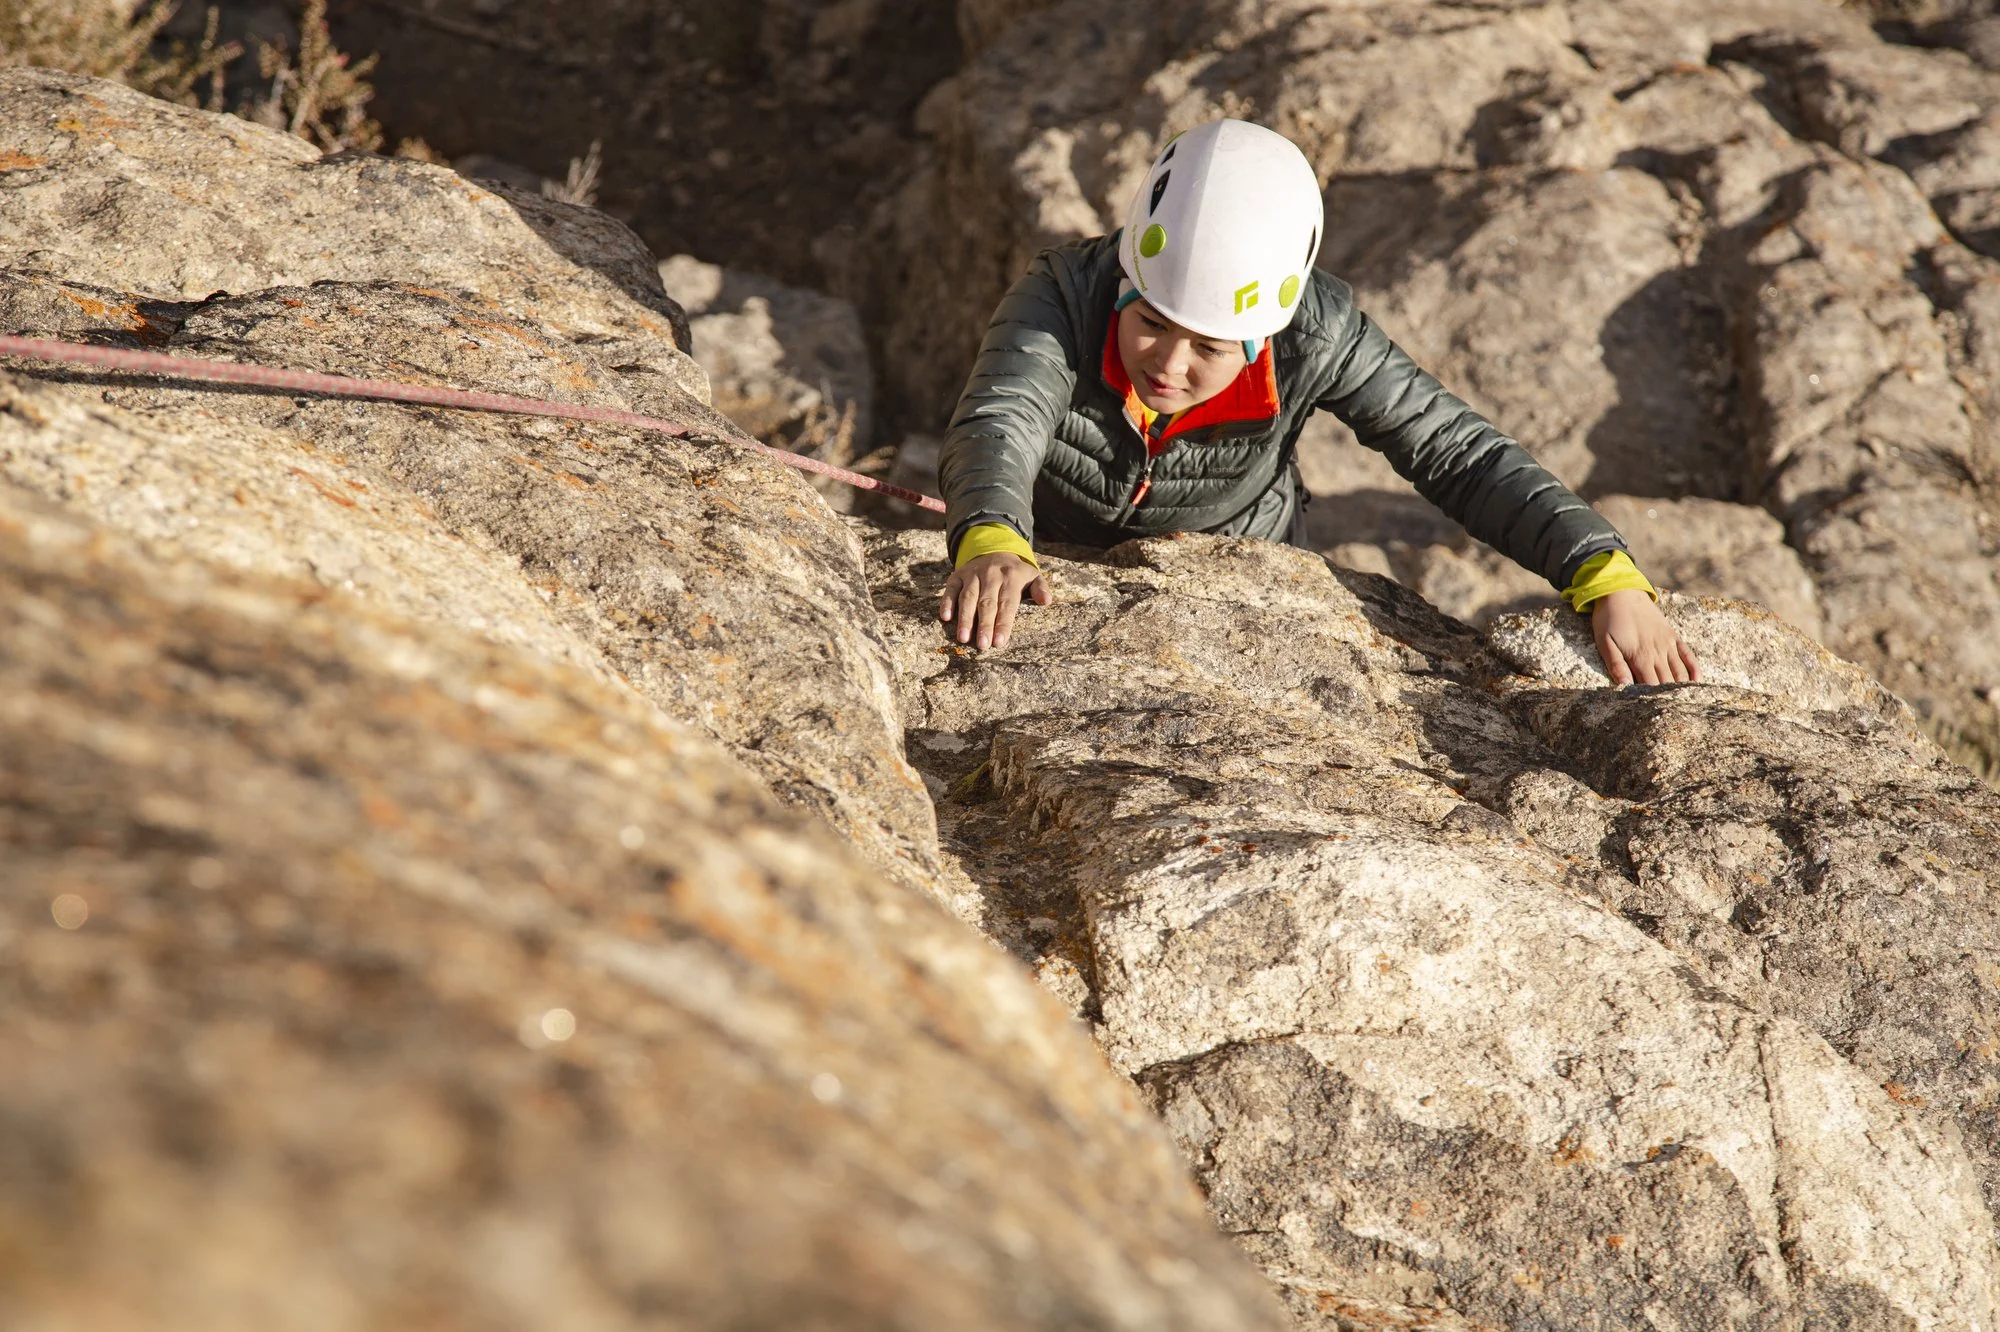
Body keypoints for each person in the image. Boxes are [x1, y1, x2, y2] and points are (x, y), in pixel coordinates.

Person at [934, 118, 1700, 687]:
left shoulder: (1315, 333)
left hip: (1241, 575)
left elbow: (1455, 451)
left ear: (1261, 335)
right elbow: (1003, 417)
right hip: (1049, 554)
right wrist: (993, 536)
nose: (1167, 365)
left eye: (1208, 348)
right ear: (1127, 281)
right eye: (1149, 324)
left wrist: (1602, 572)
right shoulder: (1063, 294)